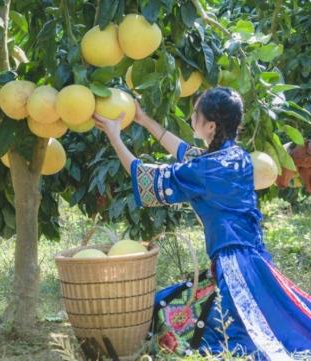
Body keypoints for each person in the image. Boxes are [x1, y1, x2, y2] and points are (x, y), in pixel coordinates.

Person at [93, 87, 311, 360]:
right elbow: (186, 153)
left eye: (195, 113)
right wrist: (143, 119)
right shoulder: (237, 157)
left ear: (210, 126)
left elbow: (145, 179)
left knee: (234, 341)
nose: (191, 117)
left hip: (234, 271)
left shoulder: (207, 169)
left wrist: (114, 135)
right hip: (253, 262)